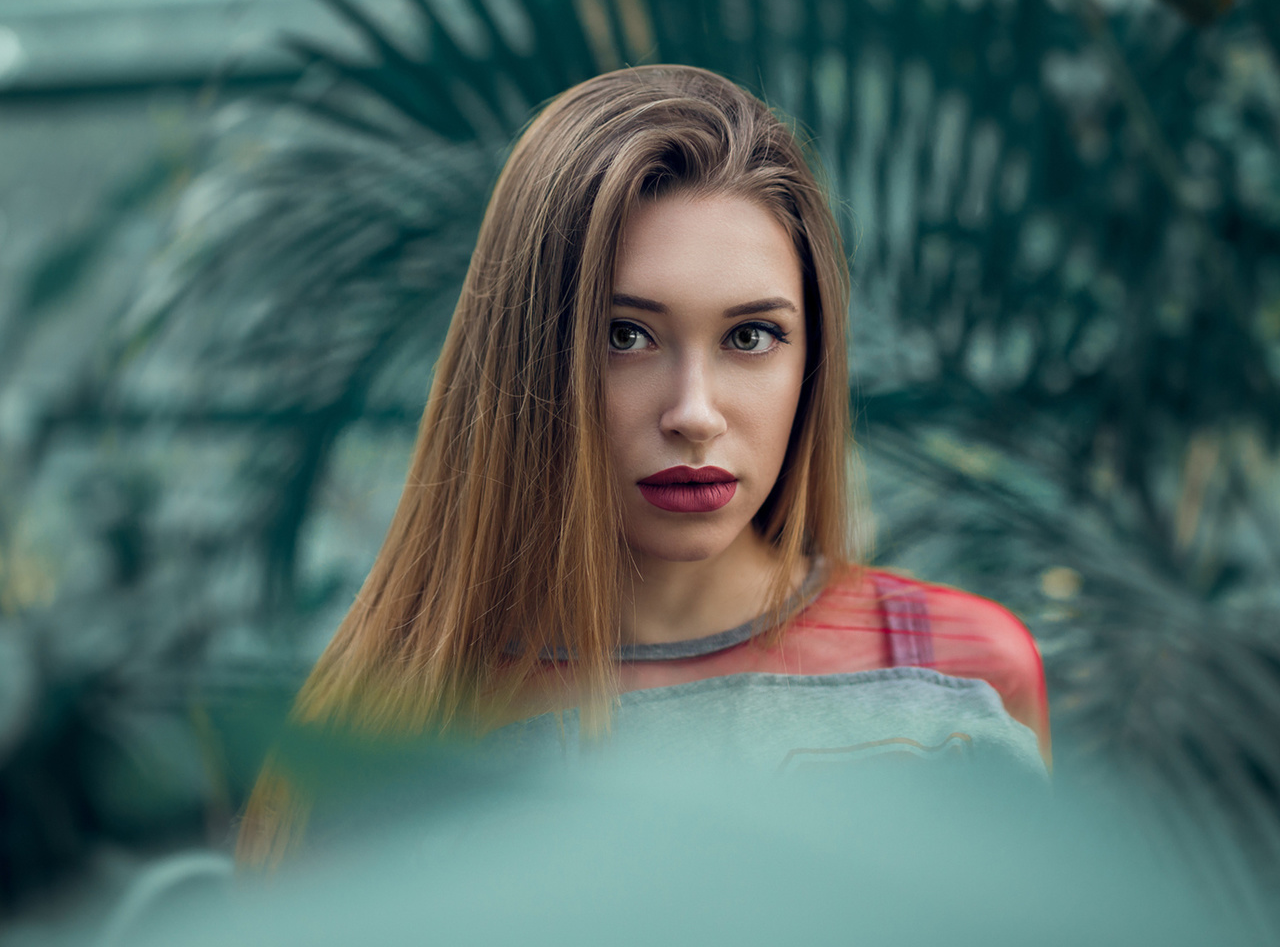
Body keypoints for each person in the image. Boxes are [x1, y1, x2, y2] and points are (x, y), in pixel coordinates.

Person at [237, 64, 1049, 867]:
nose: (694, 412)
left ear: (815, 358)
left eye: (751, 336)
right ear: (529, 362)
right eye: (624, 336)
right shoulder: (395, 729)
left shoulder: (961, 675)